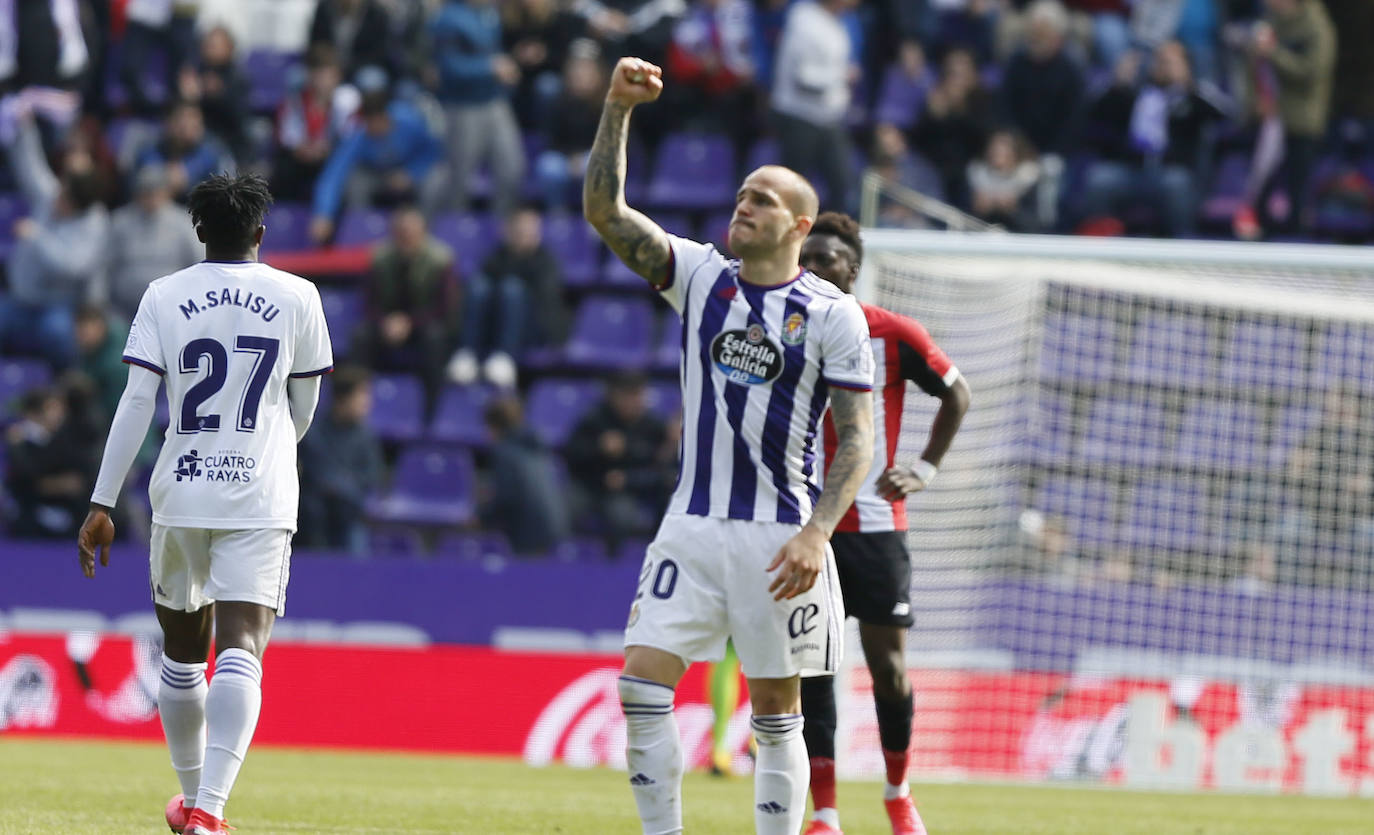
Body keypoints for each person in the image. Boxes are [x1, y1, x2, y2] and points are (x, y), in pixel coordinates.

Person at [583, 56, 877, 835]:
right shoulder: (698, 277)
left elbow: (858, 440)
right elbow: (606, 211)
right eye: (743, 193)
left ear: (800, 226)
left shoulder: (833, 315)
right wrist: (618, 109)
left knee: (778, 712)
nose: (745, 205)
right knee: (642, 685)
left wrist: (818, 530)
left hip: (780, 535)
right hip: (693, 524)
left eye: (765, 200)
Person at [76, 173, 333, 835]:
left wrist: (102, 500)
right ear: (260, 232)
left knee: (183, 651)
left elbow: (137, 403)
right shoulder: (298, 295)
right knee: (242, 643)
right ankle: (209, 810)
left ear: (198, 231)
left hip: (179, 489)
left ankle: (190, 801)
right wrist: (265, 446)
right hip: (259, 492)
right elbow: (303, 409)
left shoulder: (164, 294)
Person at [797, 212, 971, 835]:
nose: (813, 267)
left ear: (853, 270)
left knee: (889, 670)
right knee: (814, 670)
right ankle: (823, 814)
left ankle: (898, 794)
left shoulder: (892, 335)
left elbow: (956, 393)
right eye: (805, 257)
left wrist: (923, 468)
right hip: (803, 528)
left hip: (874, 528)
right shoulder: (783, 329)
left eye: (827, 259)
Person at [564, 371, 676, 547]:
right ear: (613, 396)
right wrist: (598, 448)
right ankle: (561, 556)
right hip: (590, 485)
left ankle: (614, 563)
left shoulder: (654, 426)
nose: (632, 402)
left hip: (626, 490)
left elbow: (659, 468)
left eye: (636, 395)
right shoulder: (595, 419)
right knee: (564, 507)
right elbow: (571, 454)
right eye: (626, 395)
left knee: (622, 515)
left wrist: (627, 479)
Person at [108, 164, 204, 321]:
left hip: (172, 309)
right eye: (145, 192)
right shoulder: (120, 222)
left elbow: (199, 265)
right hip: (123, 310)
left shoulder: (184, 223)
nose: (150, 198)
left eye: (155, 192)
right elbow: (104, 266)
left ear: (166, 192)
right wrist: (98, 303)